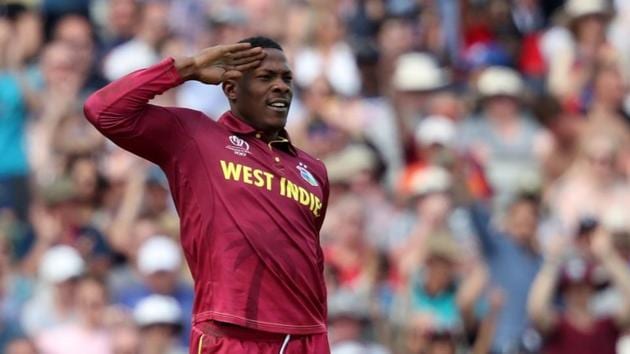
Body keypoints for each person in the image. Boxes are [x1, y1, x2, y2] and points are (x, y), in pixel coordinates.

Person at [84, 37, 331, 353]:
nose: (281, 86)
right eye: (266, 78)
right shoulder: (197, 137)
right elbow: (102, 110)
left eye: (286, 78)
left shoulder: (313, 170)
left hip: (306, 336)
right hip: (231, 332)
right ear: (231, 89)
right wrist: (187, 68)